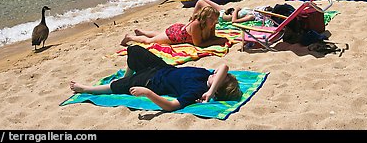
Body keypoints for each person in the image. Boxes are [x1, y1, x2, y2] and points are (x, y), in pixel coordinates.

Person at [69, 45, 242, 111]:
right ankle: (128, 75)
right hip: (163, 68)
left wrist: (147, 93)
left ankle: (85, 88)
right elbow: (224, 67)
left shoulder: (195, 91)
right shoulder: (207, 76)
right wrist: (211, 90)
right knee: (134, 50)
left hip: (151, 82)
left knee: (116, 86)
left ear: (219, 88)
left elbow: (172, 106)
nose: (216, 74)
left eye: (220, 79)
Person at [120, 1, 228, 47]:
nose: (215, 22)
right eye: (213, 19)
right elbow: (198, 44)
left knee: (159, 35)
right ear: (205, 18)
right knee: (149, 41)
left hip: (181, 29)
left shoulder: (211, 23)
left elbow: (212, 37)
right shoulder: (196, 25)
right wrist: (217, 42)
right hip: (175, 36)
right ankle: (129, 37)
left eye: (215, 19)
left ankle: (141, 32)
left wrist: (217, 40)